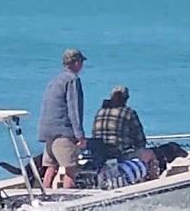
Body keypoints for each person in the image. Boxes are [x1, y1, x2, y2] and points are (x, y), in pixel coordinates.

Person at [37, 48, 88, 189]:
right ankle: (68, 200)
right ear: (76, 63)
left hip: (48, 134)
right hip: (63, 133)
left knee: (51, 167)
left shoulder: (54, 81)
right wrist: (80, 136)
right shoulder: (72, 80)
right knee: (71, 169)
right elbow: (74, 109)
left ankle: (43, 197)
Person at [92, 85, 147, 158]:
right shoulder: (128, 112)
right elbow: (140, 138)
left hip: (98, 153)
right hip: (119, 153)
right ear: (126, 99)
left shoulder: (100, 111)